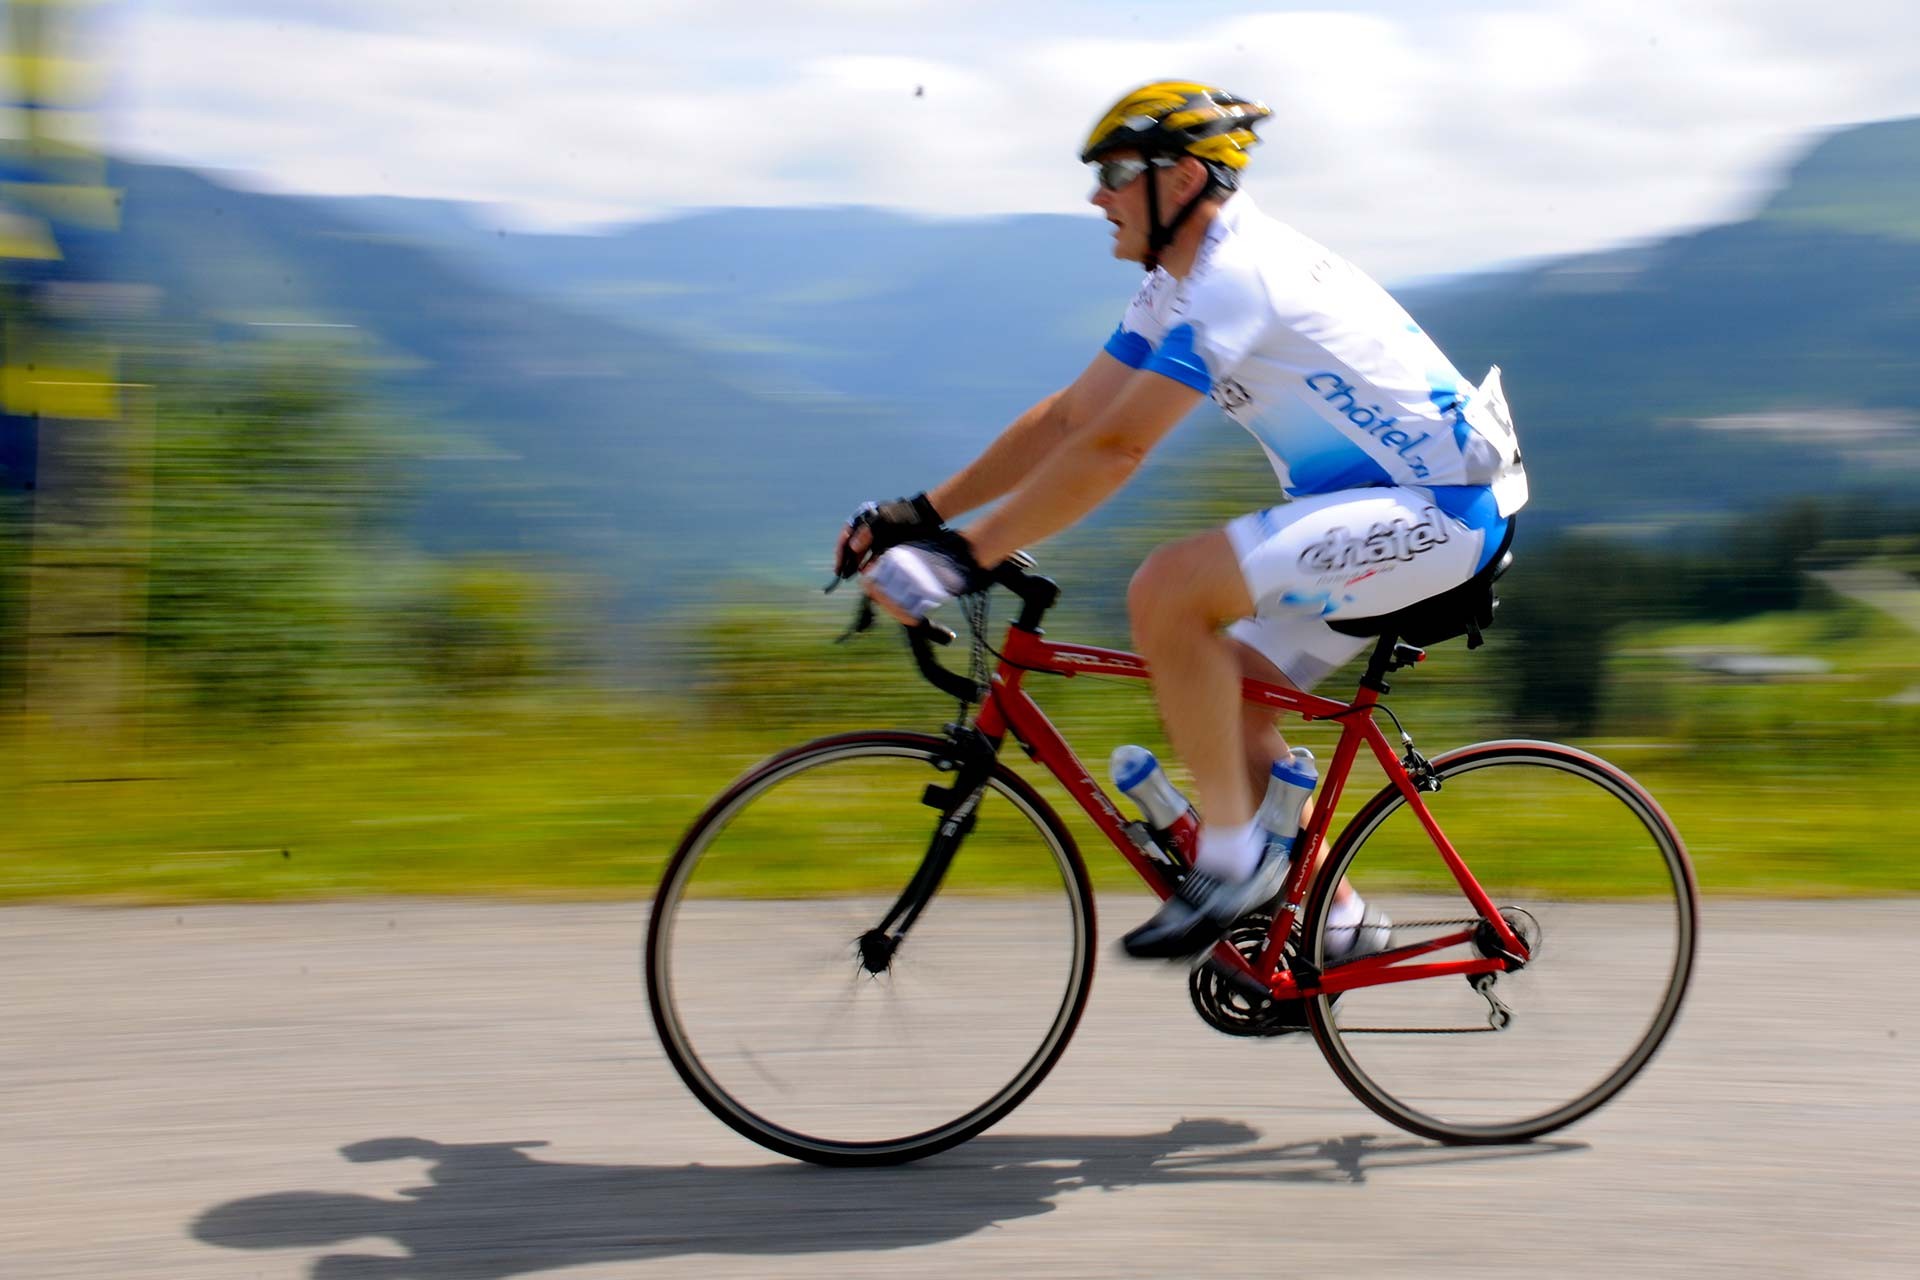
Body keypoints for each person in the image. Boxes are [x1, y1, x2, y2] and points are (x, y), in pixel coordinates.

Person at [836, 81, 1526, 961]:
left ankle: (1234, 863)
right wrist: (921, 516)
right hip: (1383, 517)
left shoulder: (1242, 275)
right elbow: (1069, 422)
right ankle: (1342, 923)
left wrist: (965, 556)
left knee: (1169, 589)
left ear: (1186, 178)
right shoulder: (1179, 284)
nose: (1097, 195)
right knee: (1219, 687)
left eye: (1117, 170)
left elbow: (1119, 447)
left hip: (1445, 513)